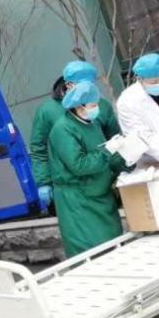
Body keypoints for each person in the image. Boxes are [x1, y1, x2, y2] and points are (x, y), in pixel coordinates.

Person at [48, 81, 126, 256]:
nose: (97, 108)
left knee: (113, 244)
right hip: (78, 200)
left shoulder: (92, 123)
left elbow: (101, 154)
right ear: (78, 106)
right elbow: (79, 165)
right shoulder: (63, 129)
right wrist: (108, 151)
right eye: (93, 105)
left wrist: (125, 161)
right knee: (92, 251)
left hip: (99, 193)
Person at [30, 61, 120, 208]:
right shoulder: (47, 111)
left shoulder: (101, 106)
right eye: (82, 85)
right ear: (69, 85)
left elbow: (114, 139)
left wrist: (120, 169)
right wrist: (43, 181)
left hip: (101, 179)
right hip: (71, 184)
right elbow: (39, 148)